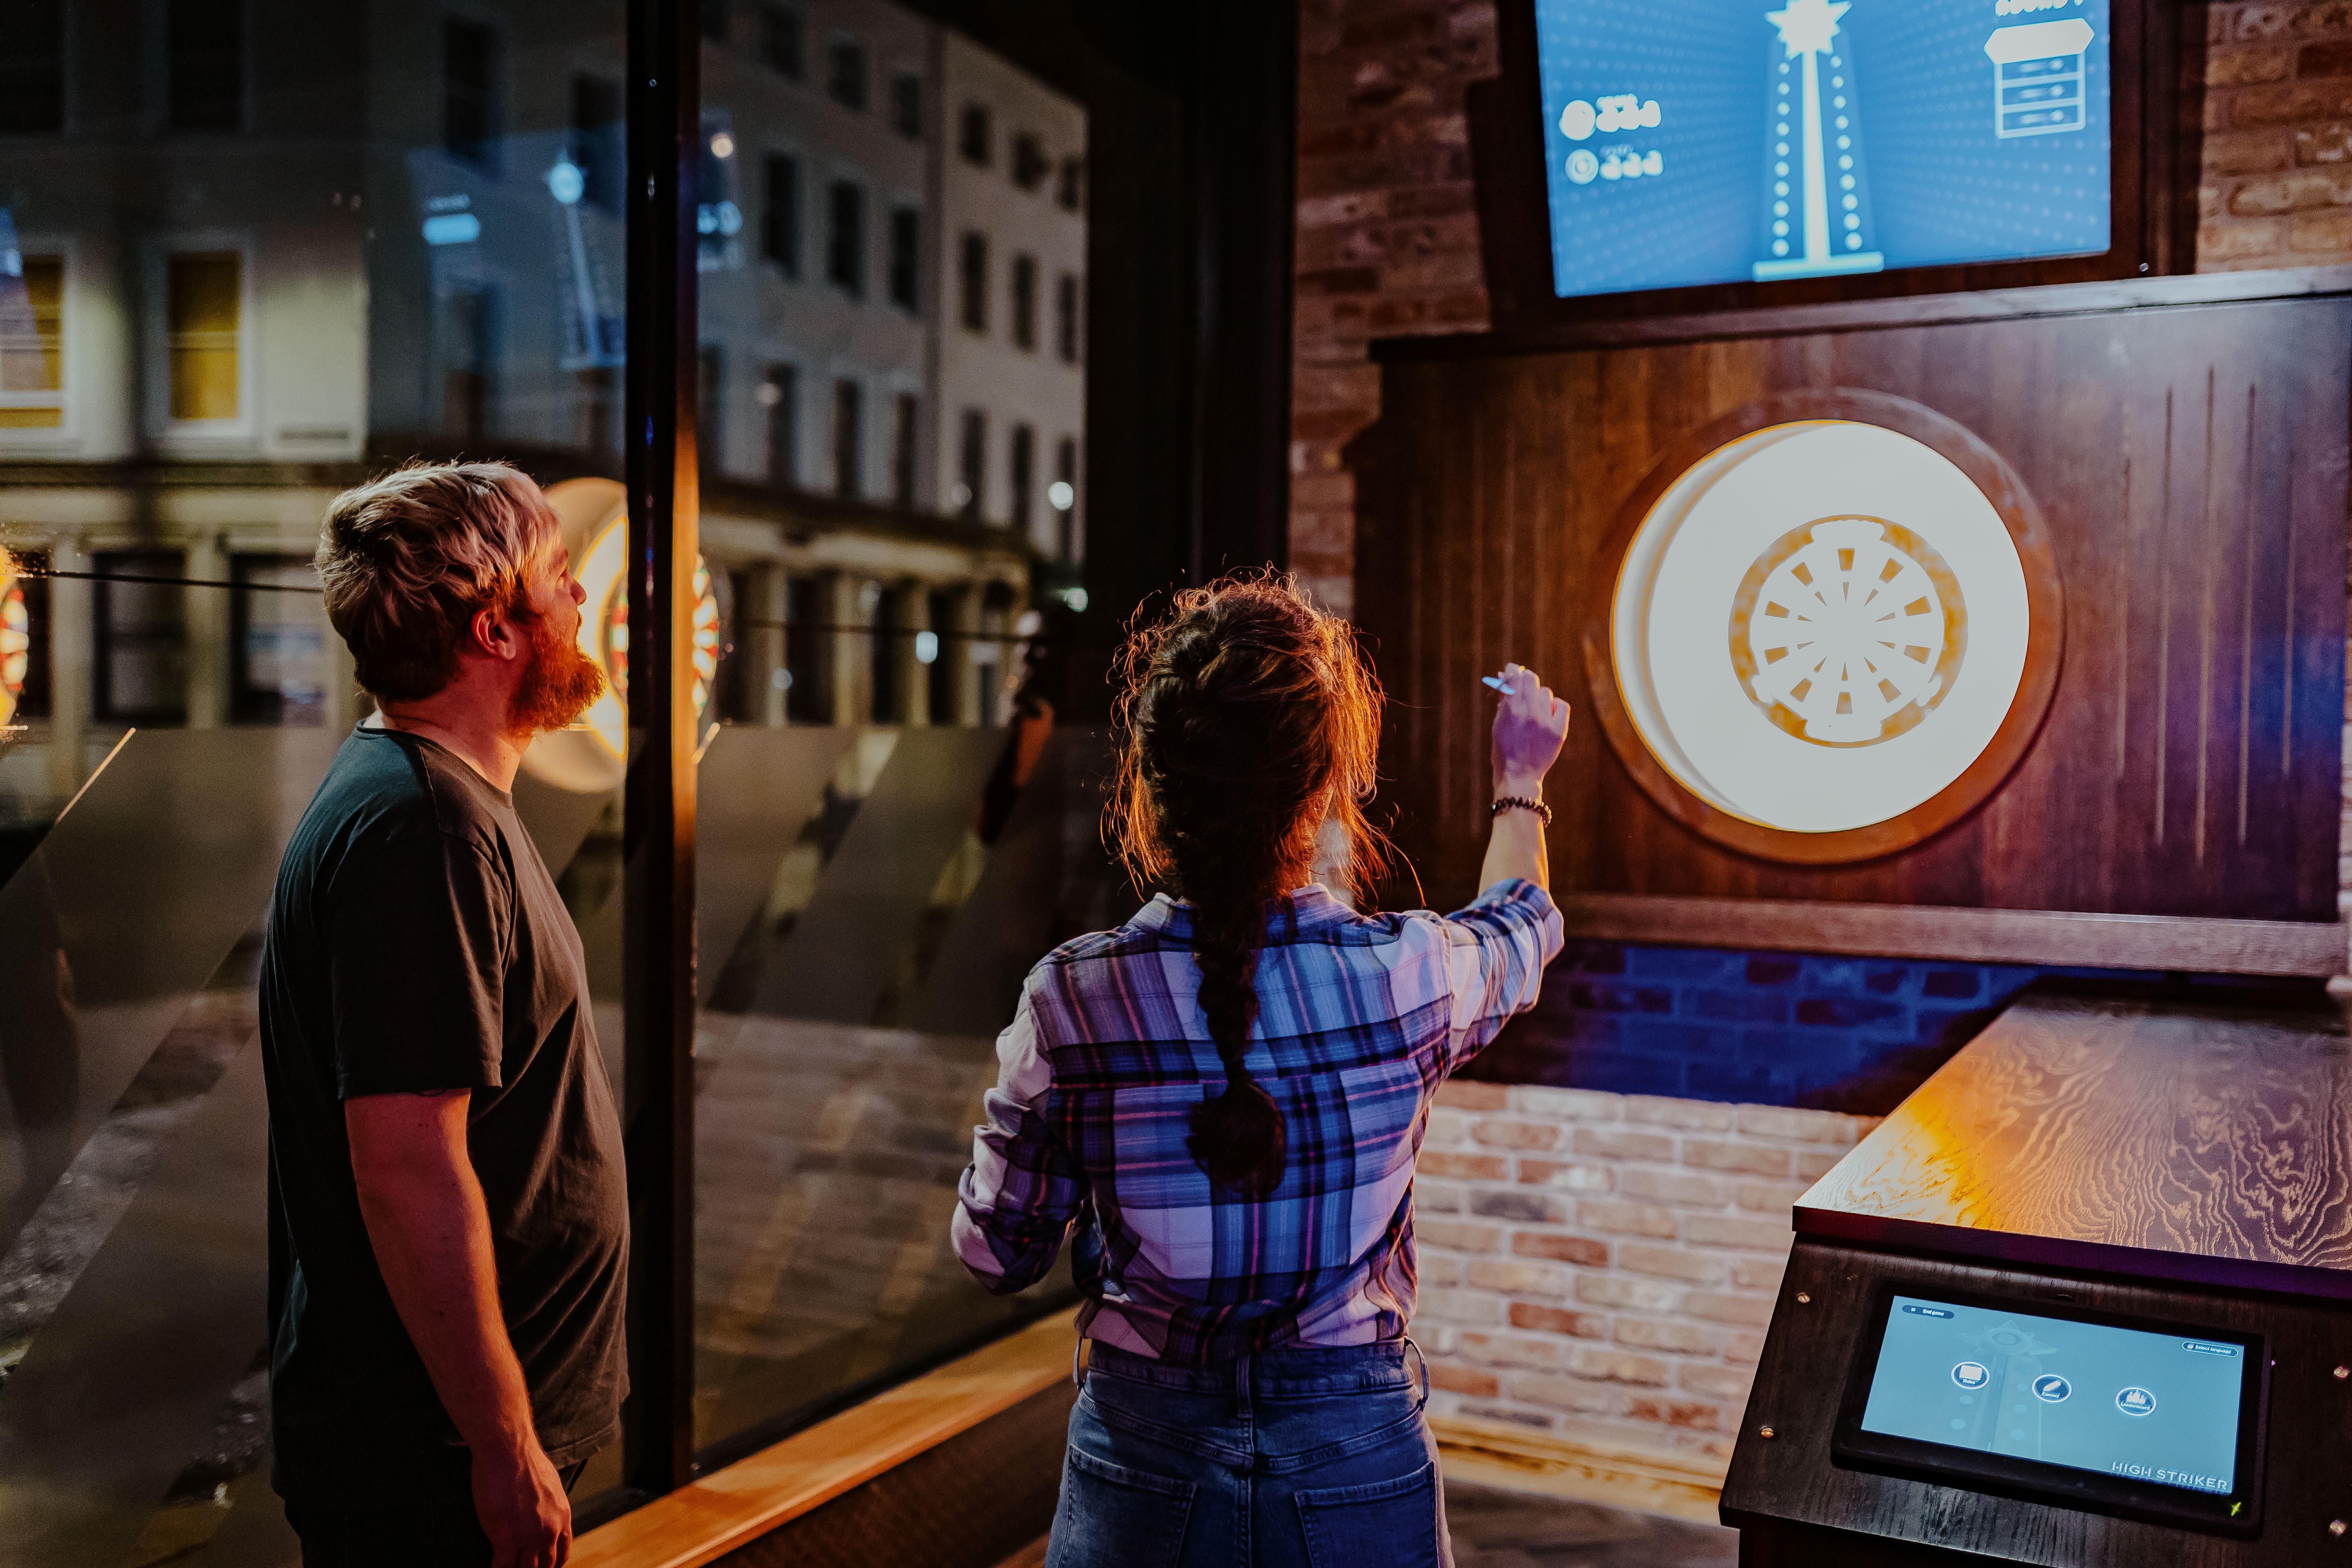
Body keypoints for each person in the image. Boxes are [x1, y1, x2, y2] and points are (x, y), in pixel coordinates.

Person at [952, 575, 1571, 1567]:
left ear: (1152, 784)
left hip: (1142, 1459)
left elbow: (994, 1256)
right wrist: (1520, 778)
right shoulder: (1409, 975)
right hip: (1357, 1455)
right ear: (1326, 783)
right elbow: (1523, 923)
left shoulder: (1072, 999)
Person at [259, 462, 628, 1568]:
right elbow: (409, 1166)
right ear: (495, 629)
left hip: (442, 1461)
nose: (580, 606)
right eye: (563, 579)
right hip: (430, 1478)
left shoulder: (429, 800)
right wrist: (504, 1446)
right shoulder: (425, 834)